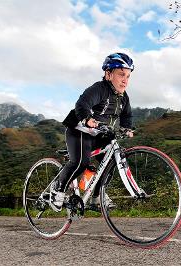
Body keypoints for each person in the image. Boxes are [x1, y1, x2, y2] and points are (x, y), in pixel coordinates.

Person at [49, 52, 135, 212]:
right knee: (81, 162)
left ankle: (96, 198)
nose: (125, 80)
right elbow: (82, 104)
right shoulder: (99, 89)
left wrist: (127, 128)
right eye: (121, 74)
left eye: (128, 76)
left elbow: (126, 115)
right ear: (108, 74)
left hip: (100, 134)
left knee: (111, 163)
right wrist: (88, 118)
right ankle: (57, 190)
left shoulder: (124, 97)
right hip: (79, 130)